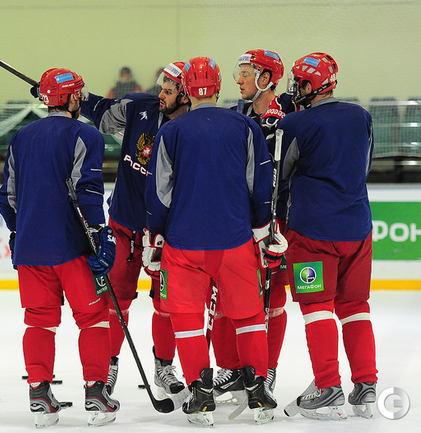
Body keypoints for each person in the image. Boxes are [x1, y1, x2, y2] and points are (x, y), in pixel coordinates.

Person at [144, 56, 287, 426]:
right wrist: (262, 230)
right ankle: (258, 391)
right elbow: (260, 185)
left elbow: (159, 192)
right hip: (235, 241)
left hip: (183, 243)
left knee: (187, 317)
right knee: (249, 315)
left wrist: (155, 236)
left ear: (188, 91)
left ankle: (200, 393)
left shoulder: (171, 132)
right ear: (219, 87)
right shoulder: (244, 126)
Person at [0, 67, 120, 427]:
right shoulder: (86, 134)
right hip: (72, 246)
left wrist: (18, 232)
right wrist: (100, 234)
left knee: (39, 321)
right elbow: (88, 191)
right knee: (93, 317)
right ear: (73, 97)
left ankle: (39, 396)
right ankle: (96, 395)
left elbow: (7, 197)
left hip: (31, 248)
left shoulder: (21, 137)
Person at [80, 62, 190, 402]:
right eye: (162, 88)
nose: (161, 95)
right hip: (125, 224)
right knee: (116, 299)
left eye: (169, 91)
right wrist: (73, 95)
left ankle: (164, 367)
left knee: (167, 303)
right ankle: (109, 365)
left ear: (186, 96)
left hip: (166, 232)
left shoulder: (193, 129)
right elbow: (101, 112)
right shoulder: (141, 106)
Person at [277, 52, 378, 420]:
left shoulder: (294, 123)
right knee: (355, 306)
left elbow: (280, 175)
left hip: (312, 231)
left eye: (298, 82)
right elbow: (364, 166)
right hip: (357, 227)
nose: (295, 88)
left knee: (317, 307)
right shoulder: (361, 116)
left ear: (310, 85)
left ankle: (328, 387)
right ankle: (365, 387)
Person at [211, 49, 295, 405]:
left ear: (266, 78)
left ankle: (267, 368)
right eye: (240, 72)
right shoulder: (236, 116)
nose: (239, 79)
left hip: (278, 218)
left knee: (273, 299)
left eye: (247, 72)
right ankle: (231, 367)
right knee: (227, 296)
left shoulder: (290, 115)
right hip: (238, 220)